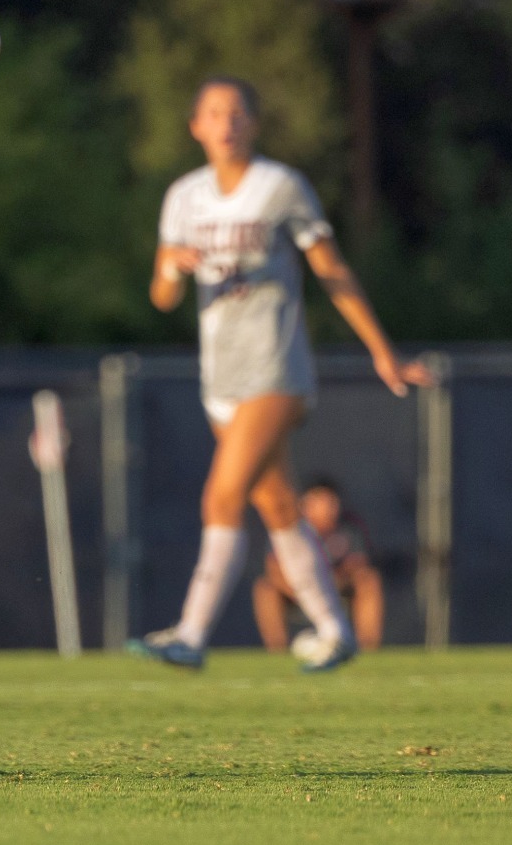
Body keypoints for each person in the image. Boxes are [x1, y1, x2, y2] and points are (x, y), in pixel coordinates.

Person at [128, 77, 428, 673]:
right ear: (196, 126)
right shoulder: (185, 197)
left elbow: (331, 270)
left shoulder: (280, 187)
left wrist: (382, 351)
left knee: (223, 494)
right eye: (213, 112)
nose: (226, 122)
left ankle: (190, 633)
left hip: (276, 369)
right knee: (280, 508)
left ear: (254, 123)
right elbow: (163, 297)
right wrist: (171, 266)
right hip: (221, 377)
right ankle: (335, 630)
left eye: (237, 112)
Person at [253, 477, 383, 652]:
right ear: (305, 505)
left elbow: (358, 566)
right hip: (295, 592)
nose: (327, 508)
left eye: (331, 502)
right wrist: (305, 589)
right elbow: (273, 569)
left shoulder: (349, 528)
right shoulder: (291, 530)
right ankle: (278, 650)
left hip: (337, 590)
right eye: (319, 501)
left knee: (369, 580)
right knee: (265, 588)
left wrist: (327, 584)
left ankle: (368, 648)